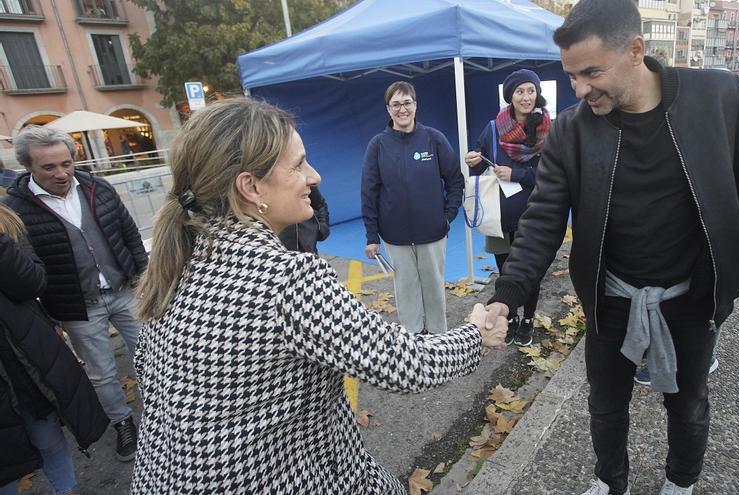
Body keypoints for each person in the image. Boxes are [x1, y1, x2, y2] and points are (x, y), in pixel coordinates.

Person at [478, 1, 739, 494]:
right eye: (571, 76)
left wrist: (731, 238)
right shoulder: (572, 131)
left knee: (687, 405)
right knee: (605, 404)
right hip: (610, 299)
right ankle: (609, 483)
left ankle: (681, 483)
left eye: (591, 72)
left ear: (636, 51)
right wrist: (507, 293)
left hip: (692, 297)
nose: (580, 89)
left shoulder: (719, 97)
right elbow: (542, 221)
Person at [130, 98, 507, 493]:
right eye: (298, 165)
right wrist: (475, 335)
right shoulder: (285, 280)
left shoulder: (176, 267)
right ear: (250, 186)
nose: (314, 176)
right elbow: (406, 363)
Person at [3, 125, 148, 463]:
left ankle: (164, 414)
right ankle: (123, 423)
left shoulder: (98, 186)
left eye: (66, 163)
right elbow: (27, 268)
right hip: (78, 307)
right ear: (29, 168)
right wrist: (50, 315)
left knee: (152, 355)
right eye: (49, 167)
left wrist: (145, 280)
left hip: (126, 290)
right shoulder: (17, 208)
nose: (61, 173)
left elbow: (128, 233)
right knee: (102, 372)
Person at [0, 202, 109, 495]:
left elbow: (32, 282)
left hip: (24, 358)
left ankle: (66, 489)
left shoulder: (7, 220)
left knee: (47, 437)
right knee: (6, 460)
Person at [361, 81, 464, 334]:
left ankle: (439, 336)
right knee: (406, 288)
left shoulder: (433, 139)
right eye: (396, 104)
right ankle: (412, 336)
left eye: (407, 103)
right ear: (388, 109)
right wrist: (372, 236)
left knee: (433, 286)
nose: (402, 109)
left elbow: (455, 180)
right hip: (395, 236)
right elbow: (369, 191)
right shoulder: (378, 145)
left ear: (415, 105)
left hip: (433, 232)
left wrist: (447, 216)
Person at [465, 69, 550, 347]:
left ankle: (528, 319)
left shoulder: (548, 129)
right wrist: (474, 160)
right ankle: (510, 316)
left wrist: (517, 174)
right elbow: (480, 165)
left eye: (531, 91)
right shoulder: (493, 128)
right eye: (520, 92)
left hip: (534, 216)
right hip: (499, 218)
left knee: (531, 272)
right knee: (506, 271)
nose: (526, 97)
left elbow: (551, 175)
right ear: (510, 97)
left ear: (537, 94)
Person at [278, 186, 330, 254]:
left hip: (309, 252)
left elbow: (320, 205)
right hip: (279, 254)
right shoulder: (264, 184)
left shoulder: (304, 179)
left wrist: (322, 228)